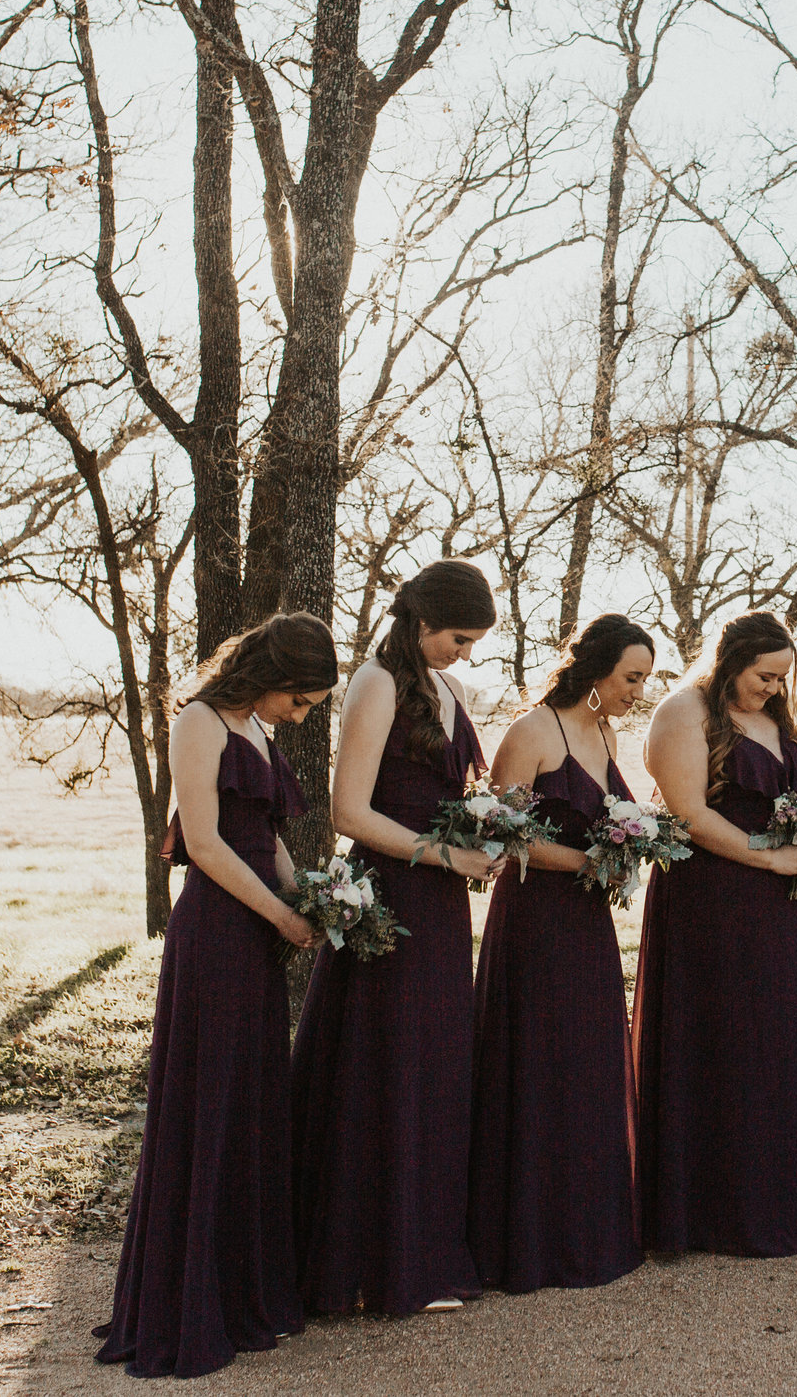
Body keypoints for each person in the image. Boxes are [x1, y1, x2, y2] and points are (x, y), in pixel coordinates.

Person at [95, 613, 338, 1379]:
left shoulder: (259, 731)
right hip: (216, 935)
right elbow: (204, 843)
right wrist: (279, 913)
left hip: (259, 936)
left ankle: (241, 1290)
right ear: (270, 676)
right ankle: (192, 1299)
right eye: (299, 701)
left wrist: (318, 899)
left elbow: (267, 836)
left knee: (250, 1100)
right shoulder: (201, 721)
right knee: (211, 1100)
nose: (299, 717)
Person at [291, 560, 506, 1315]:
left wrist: (485, 830)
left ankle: (423, 1248)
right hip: (390, 895)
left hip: (444, 904)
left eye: (475, 641)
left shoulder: (447, 689)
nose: (465, 652)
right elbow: (349, 810)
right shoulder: (377, 681)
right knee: (385, 1066)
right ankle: (369, 1260)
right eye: (458, 637)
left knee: (435, 1067)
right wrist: (444, 852)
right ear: (421, 622)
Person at [467, 614, 651, 1294]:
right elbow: (501, 831)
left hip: (587, 924)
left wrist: (631, 847)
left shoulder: (603, 732)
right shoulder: (532, 730)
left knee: (587, 1065)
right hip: (535, 922)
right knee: (537, 1064)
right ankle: (527, 1239)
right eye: (631, 676)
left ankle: (586, 1231)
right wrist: (586, 858)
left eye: (643, 680)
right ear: (597, 666)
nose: (636, 691)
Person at [634, 610, 797, 1258]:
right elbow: (688, 813)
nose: (775, 687)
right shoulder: (684, 710)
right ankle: (709, 1213)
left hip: (776, 908)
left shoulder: (777, 717)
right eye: (765, 675)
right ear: (730, 660)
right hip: (709, 902)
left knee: (772, 1046)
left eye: (782, 678)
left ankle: (768, 1202)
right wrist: (768, 855)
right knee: (720, 1041)